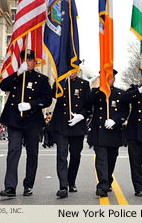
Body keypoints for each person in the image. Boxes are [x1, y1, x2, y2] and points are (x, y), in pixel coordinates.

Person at [0, 50, 52, 197]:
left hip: (32, 121)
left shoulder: (41, 79)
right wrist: (17, 73)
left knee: (32, 154)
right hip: (15, 120)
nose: (27, 62)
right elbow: (3, 86)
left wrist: (31, 105)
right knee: (13, 152)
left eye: (30, 60)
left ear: (35, 62)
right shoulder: (16, 76)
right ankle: (10, 187)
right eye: (25, 60)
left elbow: (47, 99)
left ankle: (28, 184)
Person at [50, 64, 91, 198]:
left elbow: (88, 106)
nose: (72, 72)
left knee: (75, 155)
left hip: (77, 126)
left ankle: (71, 181)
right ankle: (63, 186)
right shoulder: (61, 82)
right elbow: (53, 94)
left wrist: (81, 116)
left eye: (74, 69)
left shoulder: (84, 84)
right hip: (62, 124)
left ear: (78, 70)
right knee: (61, 155)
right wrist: (60, 80)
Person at [89, 69, 129, 197]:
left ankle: (108, 179)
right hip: (99, 132)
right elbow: (88, 101)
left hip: (114, 133)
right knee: (101, 159)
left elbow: (124, 113)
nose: (107, 80)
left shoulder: (120, 94)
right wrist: (99, 89)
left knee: (111, 159)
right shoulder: (96, 93)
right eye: (104, 78)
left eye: (109, 78)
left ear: (114, 79)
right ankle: (102, 185)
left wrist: (115, 121)